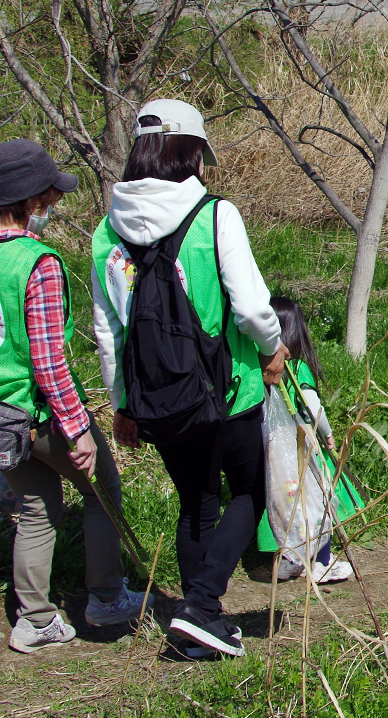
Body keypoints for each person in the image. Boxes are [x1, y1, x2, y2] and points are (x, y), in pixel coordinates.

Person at [91, 99, 289, 658]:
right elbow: (251, 308)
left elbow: (110, 332)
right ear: (190, 151)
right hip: (228, 390)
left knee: (195, 504)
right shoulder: (215, 214)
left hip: (157, 398)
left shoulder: (107, 230)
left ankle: (201, 629)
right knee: (249, 492)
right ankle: (201, 605)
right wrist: (273, 350)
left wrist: (123, 403)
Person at [0, 140, 151, 653]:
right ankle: (107, 598)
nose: (53, 205)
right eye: (48, 196)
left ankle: (36, 619)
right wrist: (78, 430)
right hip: (36, 416)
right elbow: (49, 363)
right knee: (103, 489)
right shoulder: (36, 263)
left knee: (38, 503)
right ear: (29, 199)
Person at [258, 296, 363, 585]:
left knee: (283, 505)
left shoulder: (261, 370)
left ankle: (289, 561)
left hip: (273, 451)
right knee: (319, 505)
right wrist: (327, 433)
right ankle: (321, 563)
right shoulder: (297, 368)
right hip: (304, 450)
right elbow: (311, 405)